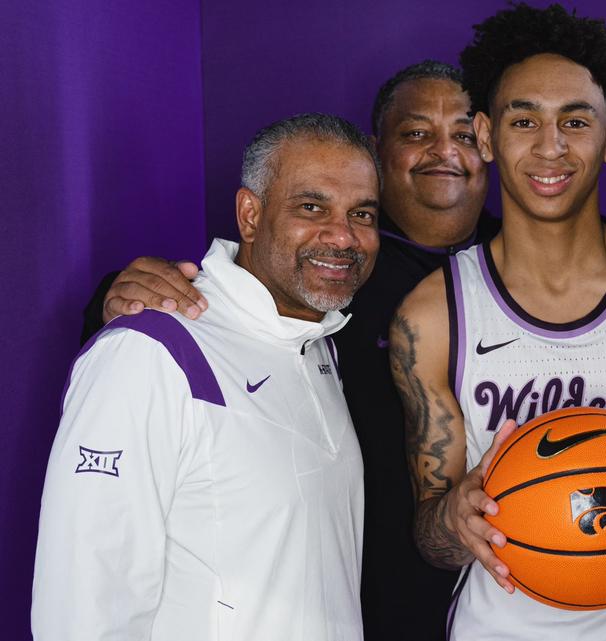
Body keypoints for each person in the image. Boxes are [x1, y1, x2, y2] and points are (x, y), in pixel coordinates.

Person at [79, 61, 498, 641]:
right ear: (379, 151)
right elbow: (93, 584)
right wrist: (116, 302)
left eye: (464, 133)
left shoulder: (523, 264)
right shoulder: (322, 283)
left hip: (502, 602)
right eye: (417, 132)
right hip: (381, 603)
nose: (443, 151)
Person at [390, 5, 606, 640]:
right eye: (524, 120)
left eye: (575, 121)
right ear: (487, 136)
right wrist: (453, 522)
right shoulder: (433, 315)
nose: (550, 147)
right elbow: (430, 539)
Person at [32, 114, 381, 640]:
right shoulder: (149, 351)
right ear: (250, 214)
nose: (343, 236)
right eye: (312, 207)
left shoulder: (319, 345)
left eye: (362, 214)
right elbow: (84, 611)